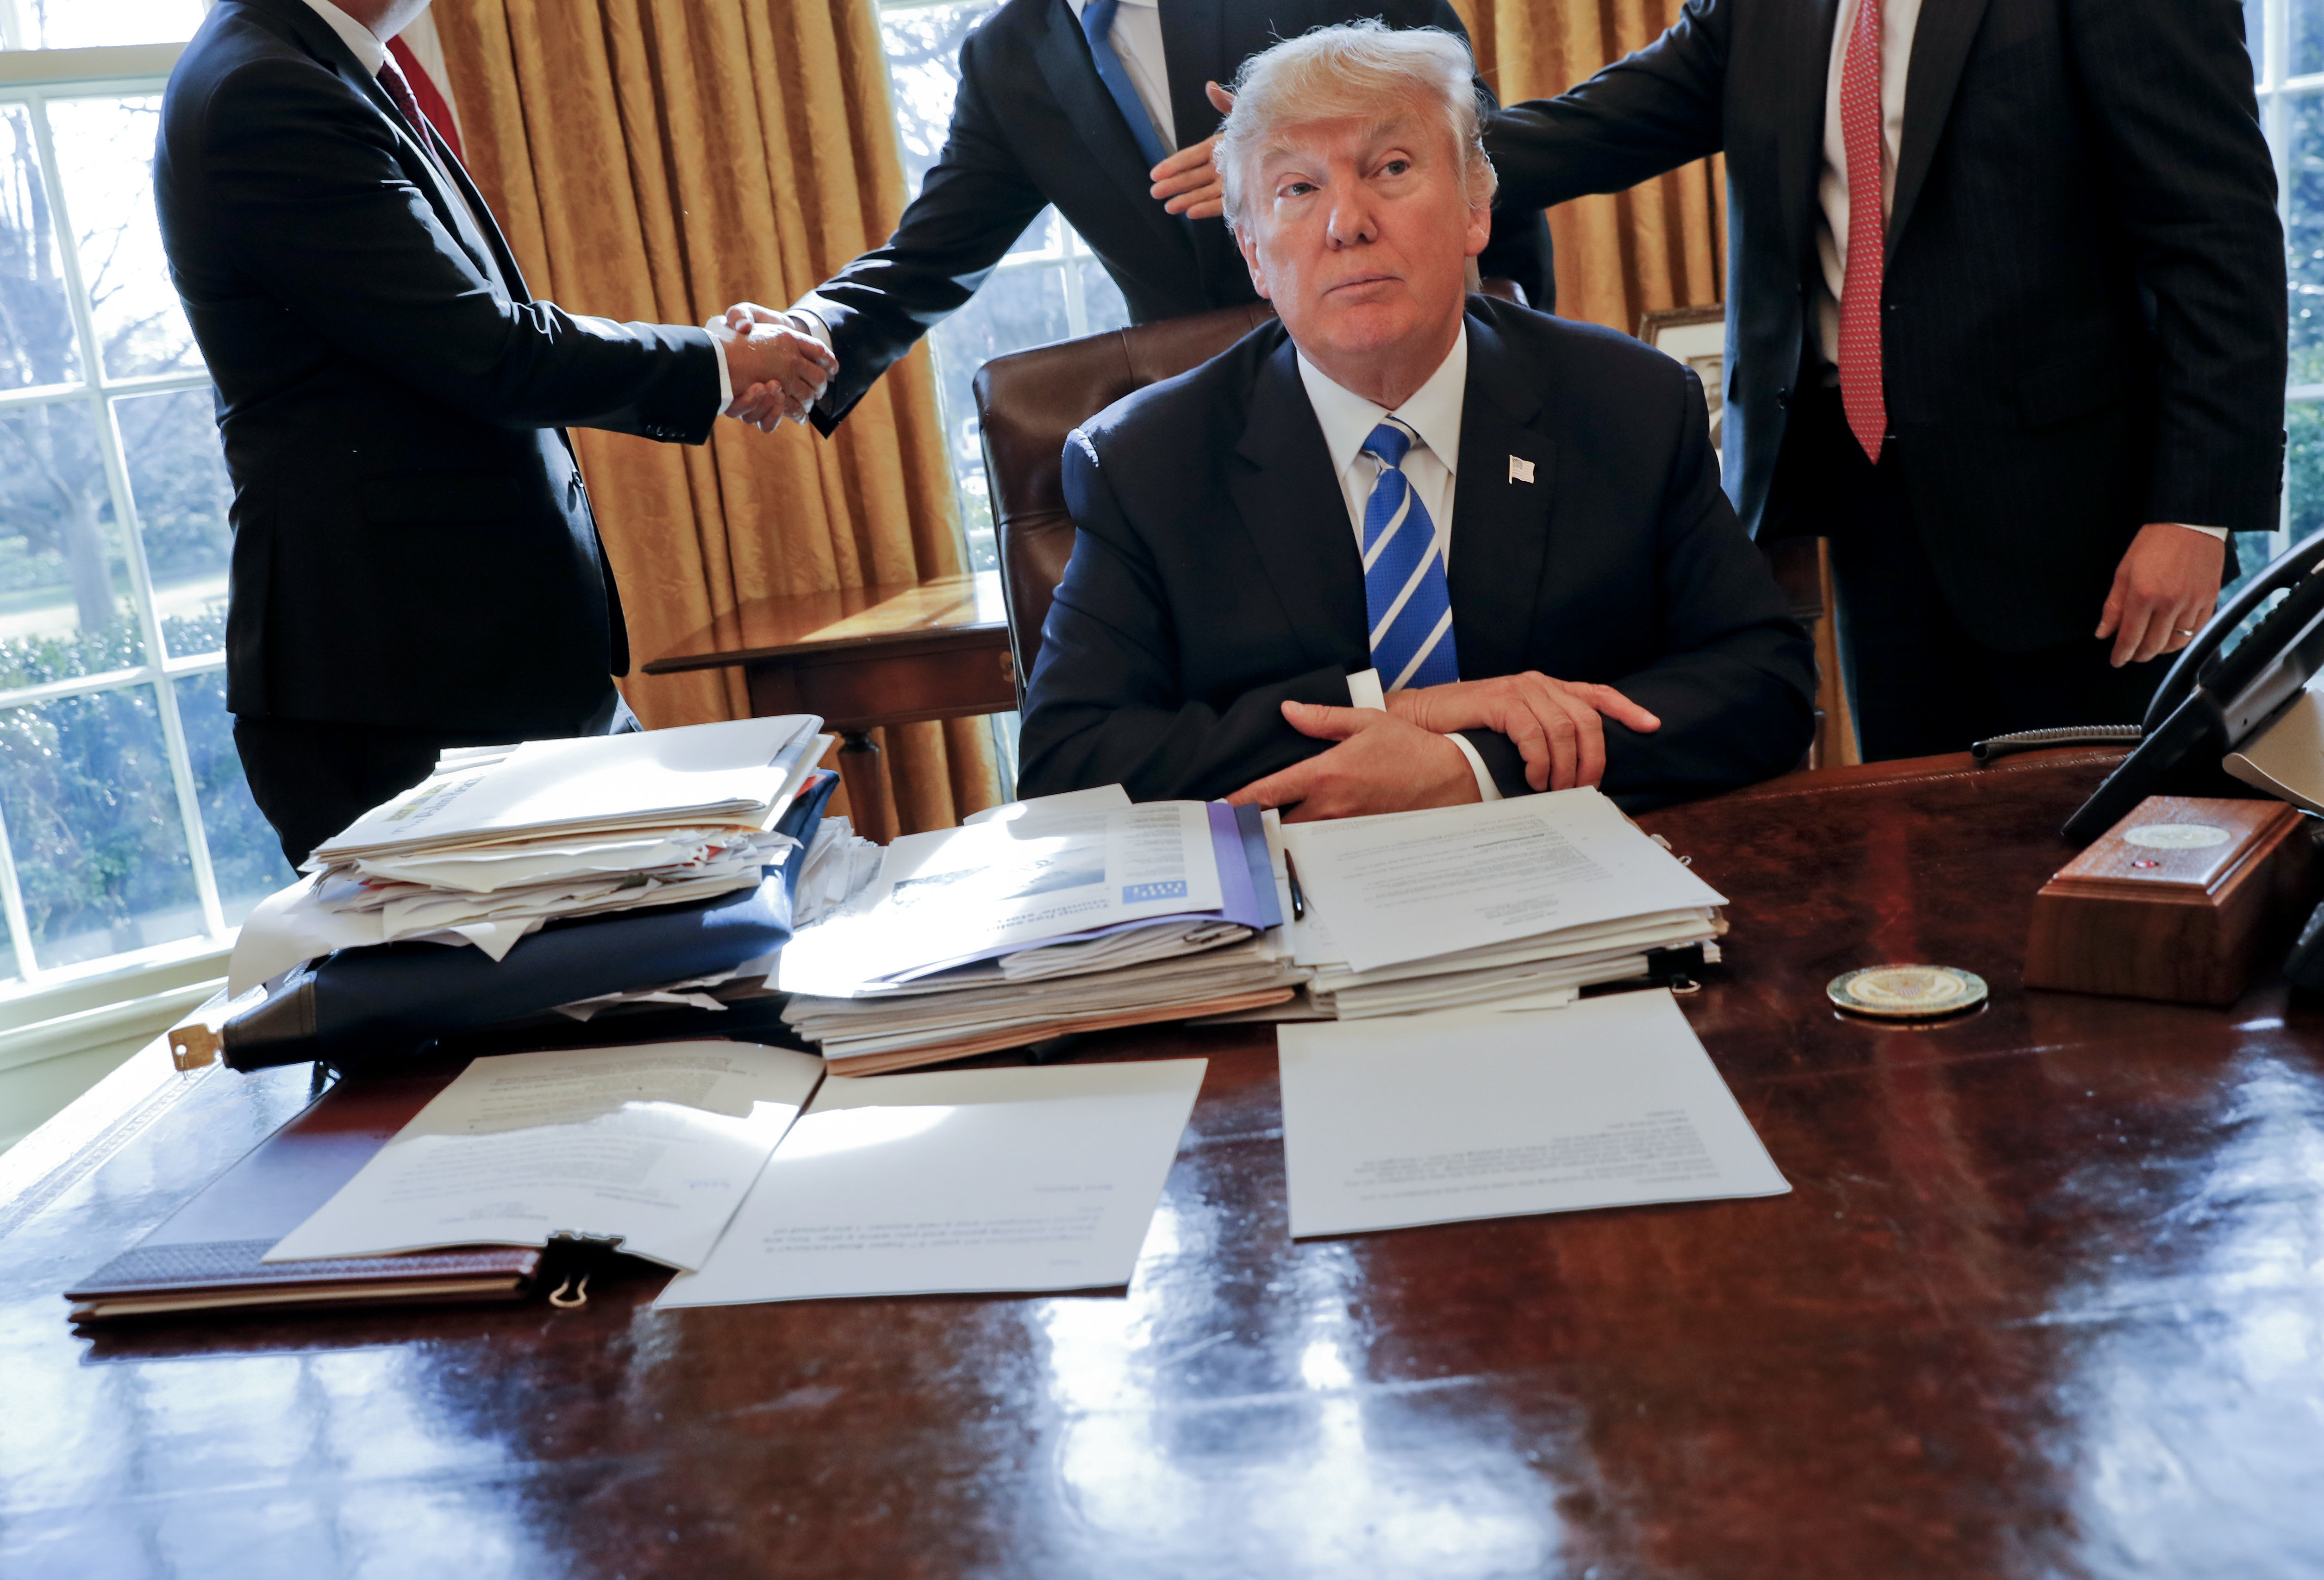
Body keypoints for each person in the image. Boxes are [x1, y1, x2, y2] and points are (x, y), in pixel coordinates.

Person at [1016, 23, 1816, 819]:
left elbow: (1763, 684)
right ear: (1254, 254)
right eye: (1298, 188)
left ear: (1476, 208)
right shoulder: (1148, 463)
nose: (1347, 222)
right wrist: (1396, 715)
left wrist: (1476, 763)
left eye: (1390, 168)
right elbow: (1069, 763)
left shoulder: (1628, 403)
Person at [1481, 0, 2286, 760]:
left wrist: (2197, 512)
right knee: (1922, 849)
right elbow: (1593, 128)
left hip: (2079, 528)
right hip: (1871, 508)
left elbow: (2218, 235)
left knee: (2103, 863)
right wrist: (1404, 165)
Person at [155, 0, 832, 864]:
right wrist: (718, 362)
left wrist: (717, 358)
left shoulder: (313, 64)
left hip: (484, 664)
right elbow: (487, 350)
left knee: (687, 922)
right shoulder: (267, 89)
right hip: (405, 689)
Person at [721, 0, 1556, 434]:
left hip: (1422, 376)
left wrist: (1286, 149)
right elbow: (931, 255)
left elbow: (1468, 141)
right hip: (1220, 426)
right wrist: (810, 330)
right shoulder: (1006, 55)